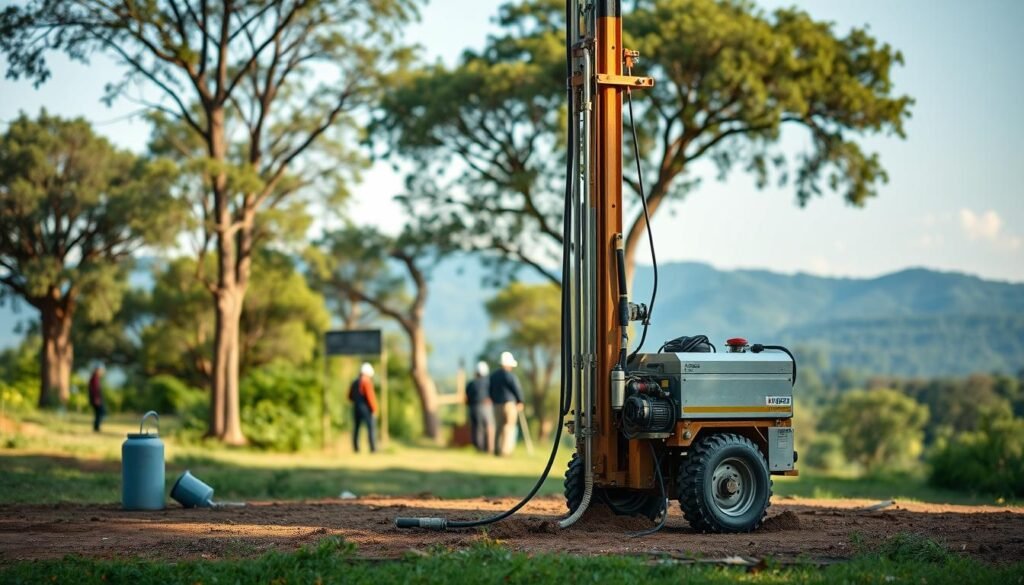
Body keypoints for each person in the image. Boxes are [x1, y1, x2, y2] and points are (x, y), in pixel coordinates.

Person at [489, 351, 524, 456]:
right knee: (509, 427)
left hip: (496, 404)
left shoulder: (493, 376)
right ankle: (505, 451)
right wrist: (520, 401)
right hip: (509, 404)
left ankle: (496, 449)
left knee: (498, 427)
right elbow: (516, 389)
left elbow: (490, 390)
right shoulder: (510, 376)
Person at [465, 361, 495, 453]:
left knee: (477, 428)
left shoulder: (471, 383)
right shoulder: (488, 382)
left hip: (473, 407)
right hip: (486, 406)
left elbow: (467, 397)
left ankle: (479, 448)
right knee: (489, 427)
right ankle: (489, 448)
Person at [349, 362, 379, 453]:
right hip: (366, 409)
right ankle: (373, 448)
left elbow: (349, 396)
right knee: (371, 428)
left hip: (356, 408)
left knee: (357, 428)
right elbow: (370, 397)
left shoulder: (354, 382)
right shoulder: (366, 382)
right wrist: (374, 409)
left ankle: (356, 448)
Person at [89, 365, 105, 432]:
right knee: (100, 413)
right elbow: (95, 390)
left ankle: (97, 427)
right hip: (96, 399)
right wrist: (96, 399)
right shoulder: (94, 379)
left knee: (99, 413)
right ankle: (96, 427)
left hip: (96, 399)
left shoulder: (96, 378)